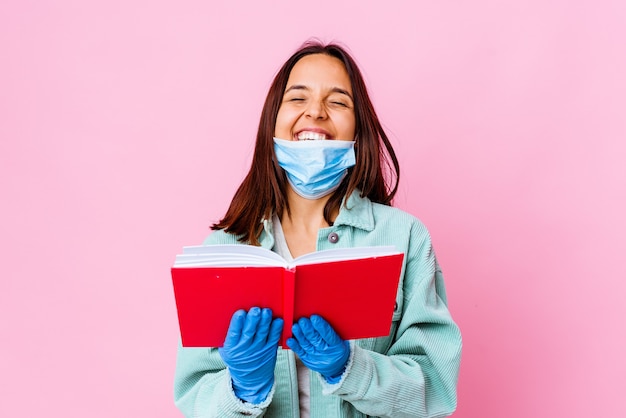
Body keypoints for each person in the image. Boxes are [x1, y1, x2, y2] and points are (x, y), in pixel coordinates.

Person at [173, 40, 462, 418]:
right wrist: (241, 389)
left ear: (359, 128)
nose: (316, 112)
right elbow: (193, 398)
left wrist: (351, 368)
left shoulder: (405, 238)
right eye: (298, 98)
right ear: (271, 121)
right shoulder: (221, 250)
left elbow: (435, 389)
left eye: (338, 101)